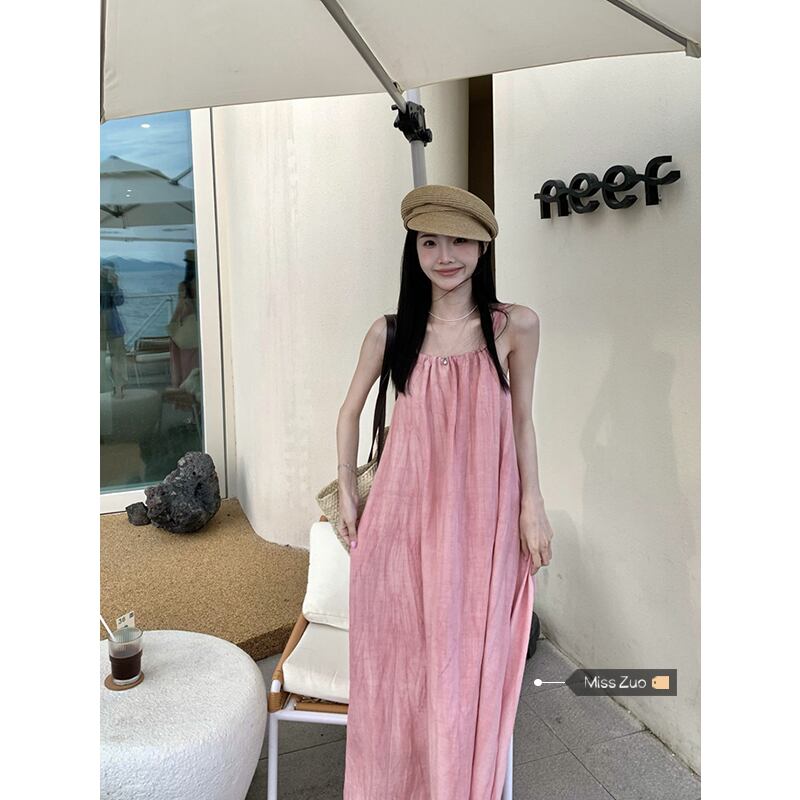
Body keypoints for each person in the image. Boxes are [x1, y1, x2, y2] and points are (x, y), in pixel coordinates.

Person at [339, 184, 554, 799]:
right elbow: (349, 412)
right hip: (401, 520)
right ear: (414, 251)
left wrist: (532, 504)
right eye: (429, 242)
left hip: (483, 519)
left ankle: (454, 778)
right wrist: (349, 492)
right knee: (400, 659)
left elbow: (522, 422)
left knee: (469, 652)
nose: (445, 256)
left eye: (459, 241)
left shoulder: (515, 326)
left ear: (483, 247)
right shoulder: (391, 332)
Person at [100, 258, 129, 398]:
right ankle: (104, 389)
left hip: (114, 325)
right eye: (104, 269)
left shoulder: (112, 284)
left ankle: (119, 387)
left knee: (118, 357)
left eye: (109, 270)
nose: (106, 272)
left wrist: (115, 285)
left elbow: (119, 301)